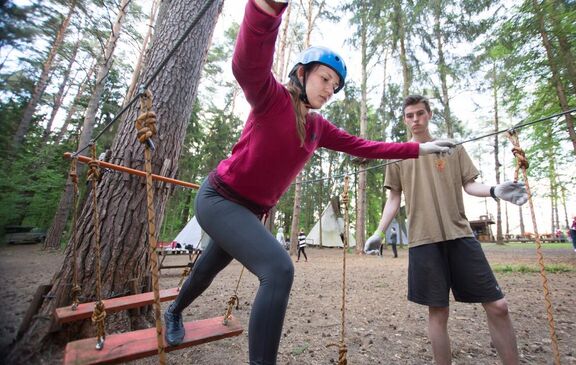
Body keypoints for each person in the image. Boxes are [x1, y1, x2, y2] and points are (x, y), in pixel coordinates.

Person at [162, 3, 454, 364]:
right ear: (301, 73)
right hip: (219, 198)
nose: (330, 89)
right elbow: (247, 63)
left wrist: (419, 148)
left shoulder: (318, 127)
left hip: (250, 213)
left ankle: (173, 311)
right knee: (279, 269)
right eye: (325, 79)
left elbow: (365, 146)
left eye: (336, 86)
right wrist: (266, 10)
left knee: (207, 268)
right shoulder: (271, 98)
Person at [364, 95, 527, 365]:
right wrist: (379, 233)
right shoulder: (398, 155)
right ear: (404, 119)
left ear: (429, 114)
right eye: (409, 115)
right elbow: (394, 199)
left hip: (460, 235)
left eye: (419, 113)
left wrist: (496, 191)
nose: (415, 119)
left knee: (499, 306)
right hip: (423, 241)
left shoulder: (452, 147)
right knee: (438, 313)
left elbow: (470, 185)